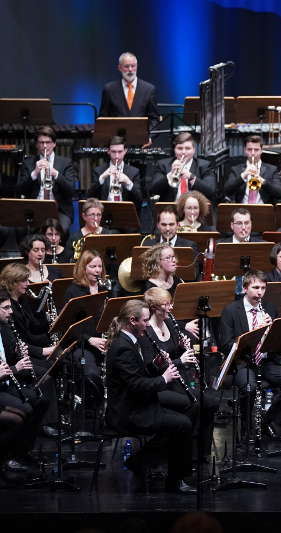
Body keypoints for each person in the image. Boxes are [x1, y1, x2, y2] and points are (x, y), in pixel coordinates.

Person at [104, 299, 196, 493]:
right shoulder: (122, 347)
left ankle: (146, 461)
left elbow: (138, 374)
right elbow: (136, 385)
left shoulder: (129, 340)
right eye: (145, 321)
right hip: (128, 412)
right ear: (132, 321)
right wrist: (165, 378)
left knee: (185, 414)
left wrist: (155, 365)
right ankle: (172, 477)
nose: (147, 324)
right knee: (183, 425)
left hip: (137, 404)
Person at [143, 287, 218, 461]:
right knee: (195, 403)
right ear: (154, 308)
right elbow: (152, 366)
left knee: (211, 402)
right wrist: (180, 361)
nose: (170, 307)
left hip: (179, 377)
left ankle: (202, 451)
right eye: (166, 304)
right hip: (162, 382)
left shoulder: (169, 323)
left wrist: (183, 346)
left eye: (170, 303)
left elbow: (174, 351)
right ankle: (180, 450)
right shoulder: (147, 331)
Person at [218, 271, 281, 440]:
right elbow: (226, 344)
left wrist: (271, 332)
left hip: (266, 361)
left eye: (263, 288)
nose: (259, 292)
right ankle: (246, 428)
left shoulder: (270, 308)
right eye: (255, 287)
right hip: (242, 362)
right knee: (249, 388)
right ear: (245, 288)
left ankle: (268, 421)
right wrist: (255, 332)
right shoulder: (231, 310)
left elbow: (277, 342)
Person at [0, 288, 49, 477]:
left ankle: (22, 451)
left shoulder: (5, 327)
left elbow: (9, 354)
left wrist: (19, 354)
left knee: (41, 401)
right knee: (24, 411)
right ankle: (7, 457)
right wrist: (16, 369)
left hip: (7, 382)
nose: (10, 312)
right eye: (5, 308)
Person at [63, 250, 111, 398]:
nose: (97, 270)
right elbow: (67, 326)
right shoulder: (73, 291)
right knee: (91, 375)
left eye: (99, 266)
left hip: (104, 342)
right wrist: (90, 339)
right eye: (92, 266)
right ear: (83, 268)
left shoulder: (105, 289)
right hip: (81, 344)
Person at [16, 126, 77, 232]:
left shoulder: (65, 163)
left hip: (59, 210)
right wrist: (34, 173)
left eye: (48, 142)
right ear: (36, 145)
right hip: (34, 209)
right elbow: (20, 190)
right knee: (21, 230)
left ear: (54, 144)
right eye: (41, 142)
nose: (45, 146)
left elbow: (71, 191)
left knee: (62, 229)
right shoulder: (28, 163)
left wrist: (56, 174)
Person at [99, 52, 160, 130]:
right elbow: (103, 119)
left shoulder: (149, 89)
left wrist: (149, 137)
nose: (130, 69)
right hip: (117, 140)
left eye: (133, 66)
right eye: (126, 66)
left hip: (141, 139)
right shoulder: (109, 89)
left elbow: (154, 119)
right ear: (119, 68)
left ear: (137, 67)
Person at [150, 133, 215, 203]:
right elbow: (153, 190)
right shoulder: (163, 164)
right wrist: (170, 174)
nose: (183, 152)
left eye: (187, 148)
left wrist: (191, 176)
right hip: (170, 210)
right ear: (174, 150)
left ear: (194, 150)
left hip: (195, 209)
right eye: (180, 148)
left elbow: (211, 191)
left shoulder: (205, 165)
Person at [223, 135, 281, 205]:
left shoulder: (272, 170)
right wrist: (243, 175)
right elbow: (226, 191)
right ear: (245, 150)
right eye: (249, 149)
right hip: (242, 210)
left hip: (264, 209)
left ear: (261, 150)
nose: (253, 153)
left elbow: (279, 193)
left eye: (256, 150)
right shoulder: (236, 169)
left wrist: (262, 181)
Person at [88, 136, 143, 204]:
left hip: (125, 212)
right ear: (108, 151)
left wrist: (128, 182)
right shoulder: (98, 171)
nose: (117, 156)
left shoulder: (134, 172)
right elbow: (89, 197)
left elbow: (140, 200)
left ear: (125, 151)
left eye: (120, 152)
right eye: (113, 152)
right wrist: (101, 178)